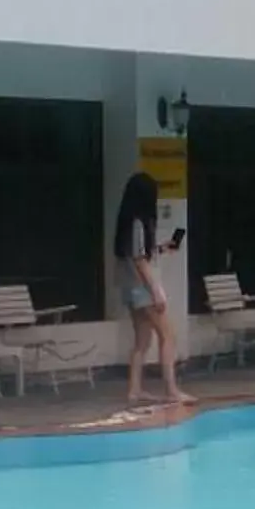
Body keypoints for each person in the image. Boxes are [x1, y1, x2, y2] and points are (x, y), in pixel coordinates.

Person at [114, 171, 190, 405]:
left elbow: (137, 253)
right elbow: (140, 260)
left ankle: (134, 390)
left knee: (142, 341)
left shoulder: (126, 222)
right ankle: (172, 390)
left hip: (130, 288)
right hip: (142, 288)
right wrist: (156, 290)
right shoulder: (138, 222)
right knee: (168, 335)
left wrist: (159, 247)